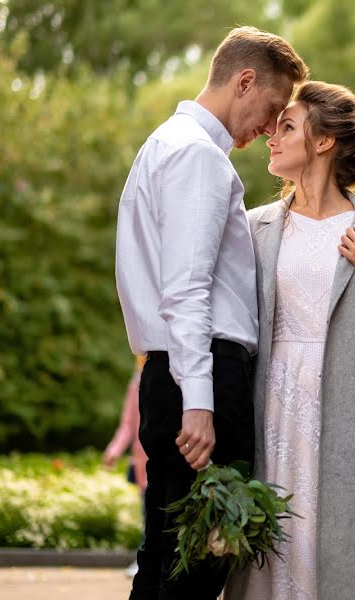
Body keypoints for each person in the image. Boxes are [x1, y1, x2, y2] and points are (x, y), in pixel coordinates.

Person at [114, 26, 309, 600]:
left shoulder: (167, 145)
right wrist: (199, 401)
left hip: (174, 370)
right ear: (244, 82)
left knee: (171, 559)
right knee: (196, 563)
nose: (271, 128)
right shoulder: (196, 156)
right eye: (273, 108)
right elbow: (186, 288)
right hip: (198, 377)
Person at [223, 81, 355, 600]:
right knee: (269, 552)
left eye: (286, 126)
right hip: (269, 412)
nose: (271, 135)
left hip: (347, 417)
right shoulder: (254, 228)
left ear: (323, 142)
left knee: (341, 561)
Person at [102, 354, 148, 577]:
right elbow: (128, 425)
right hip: (142, 462)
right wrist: (114, 451)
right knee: (148, 513)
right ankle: (145, 559)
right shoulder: (136, 384)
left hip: (165, 458)